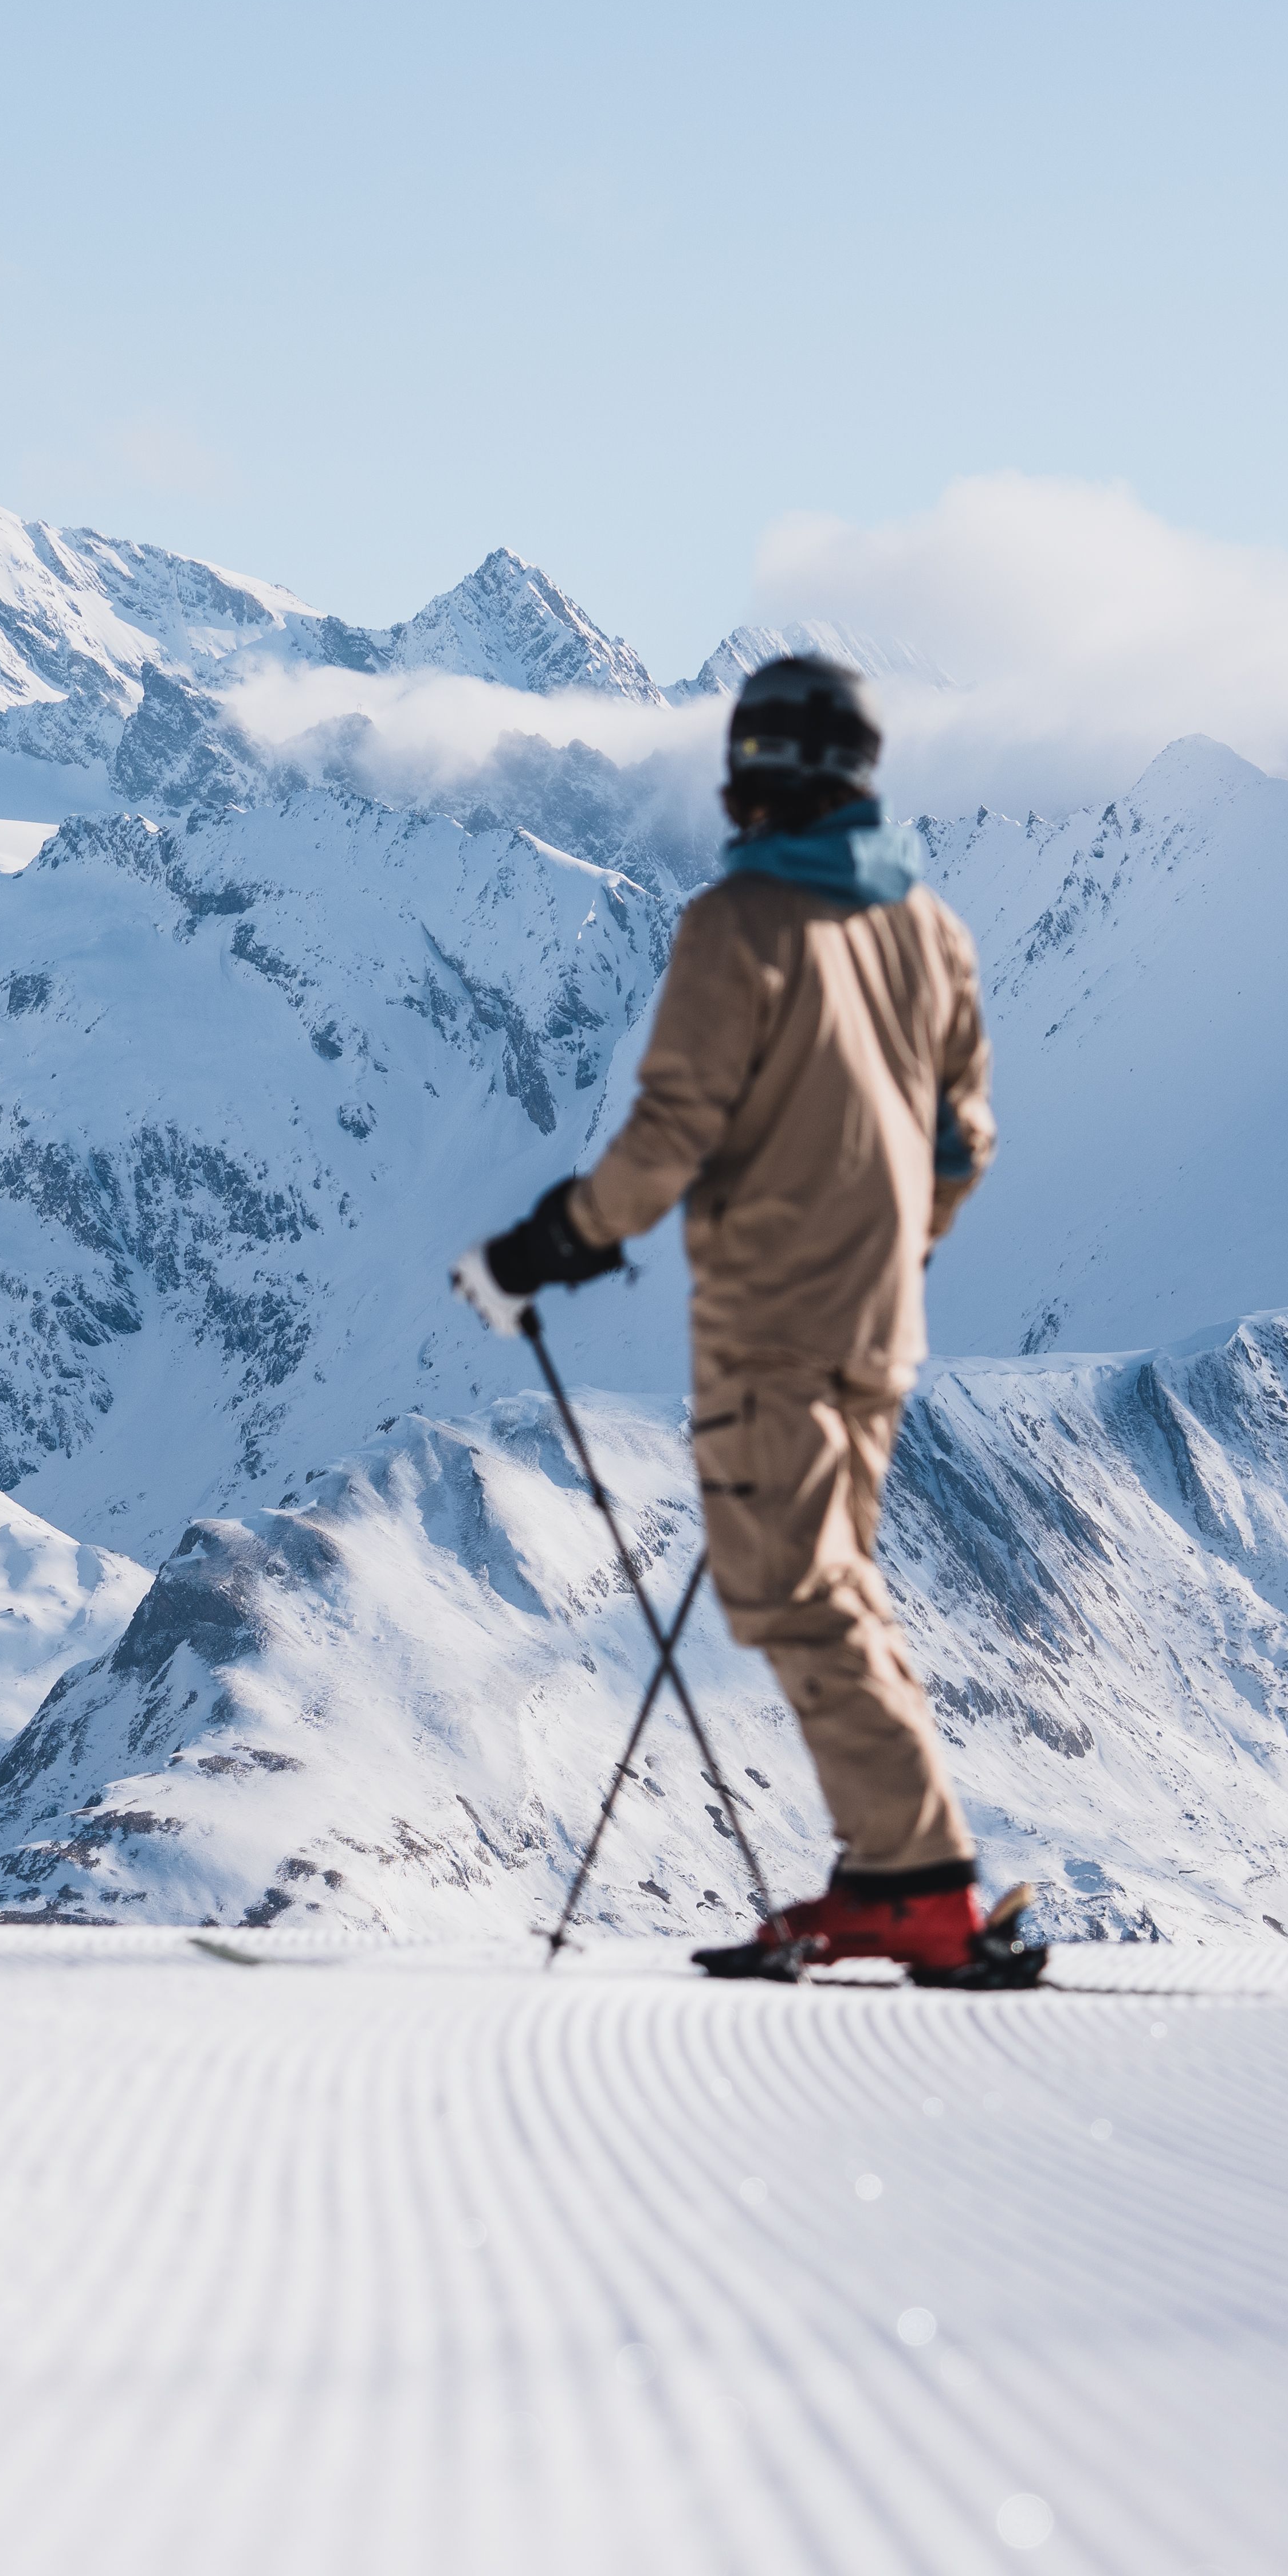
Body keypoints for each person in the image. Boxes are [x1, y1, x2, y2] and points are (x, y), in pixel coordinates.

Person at [449, 653, 1031, 1987]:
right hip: (880, 1321)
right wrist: (891, 1247)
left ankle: (925, 1886)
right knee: (833, 1578)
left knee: (794, 1587)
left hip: (773, 1316)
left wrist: (551, 1245)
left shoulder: (739, 924)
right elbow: (961, 1143)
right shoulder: (932, 930)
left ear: (758, 774)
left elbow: (670, 1136)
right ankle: (886, 1872)